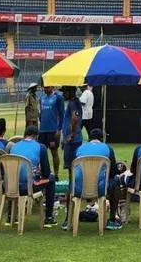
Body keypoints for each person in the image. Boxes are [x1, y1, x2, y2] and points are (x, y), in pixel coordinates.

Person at [8, 125, 58, 228]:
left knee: (16, 177)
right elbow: (46, 173)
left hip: (11, 186)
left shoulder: (14, 146)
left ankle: (10, 215)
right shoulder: (40, 147)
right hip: (29, 186)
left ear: (24, 135)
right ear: (36, 136)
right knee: (51, 179)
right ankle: (49, 217)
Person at [73, 128, 123, 231]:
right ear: (102, 139)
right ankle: (112, 220)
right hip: (100, 188)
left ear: (89, 139)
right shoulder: (108, 148)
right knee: (116, 181)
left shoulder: (80, 148)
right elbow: (113, 173)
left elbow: (73, 169)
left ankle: (67, 221)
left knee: (71, 183)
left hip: (78, 188)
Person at [61, 85, 85, 222]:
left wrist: (71, 135)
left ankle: (72, 201)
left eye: (65, 91)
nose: (63, 94)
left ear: (70, 92)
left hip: (73, 142)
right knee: (71, 172)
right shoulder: (72, 103)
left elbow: (75, 118)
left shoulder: (72, 103)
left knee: (72, 172)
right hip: (72, 140)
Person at [38, 84, 66, 177]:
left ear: (52, 87)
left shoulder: (58, 98)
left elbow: (62, 114)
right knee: (41, 152)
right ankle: (43, 173)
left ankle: (56, 174)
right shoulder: (41, 98)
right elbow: (41, 114)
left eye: (47, 87)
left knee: (54, 152)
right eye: (44, 88)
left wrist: (59, 129)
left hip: (53, 130)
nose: (45, 89)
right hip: (42, 131)